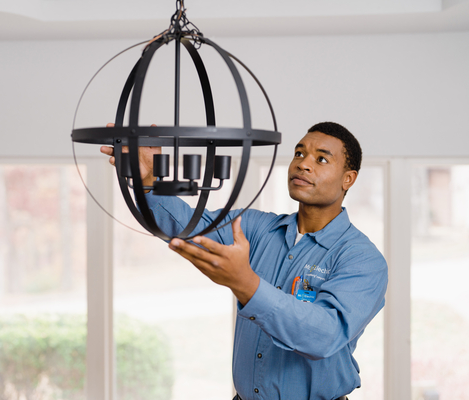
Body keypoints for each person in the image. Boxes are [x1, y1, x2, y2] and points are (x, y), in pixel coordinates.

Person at [101, 122, 388, 400]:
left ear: (348, 178)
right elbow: (191, 228)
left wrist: (247, 285)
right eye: (299, 153)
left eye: (321, 159)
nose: (303, 163)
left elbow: (324, 335)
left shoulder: (362, 259)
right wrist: (150, 181)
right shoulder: (254, 228)